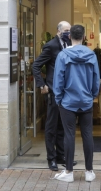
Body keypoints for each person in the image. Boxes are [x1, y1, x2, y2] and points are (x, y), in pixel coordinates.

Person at [52, 24, 100, 182]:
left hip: (68, 102)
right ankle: (89, 172)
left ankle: (69, 172)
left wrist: (59, 98)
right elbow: (95, 79)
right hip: (86, 101)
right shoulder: (91, 55)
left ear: (70, 36)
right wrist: (92, 95)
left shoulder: (63, 55)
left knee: (69, 135)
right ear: (84, 36)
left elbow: (58, 80)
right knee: (87, 135)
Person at [32, 21, 76, 171]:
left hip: (66, 92)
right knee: (51, 127)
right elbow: (36, 65)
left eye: (70, 30)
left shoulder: (70, 44)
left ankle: (61, 156)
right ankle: (51, 159)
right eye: (66, 30)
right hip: (53, 91)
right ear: (58, 31)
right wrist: (41, 84)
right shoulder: (51, 46)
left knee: (62, 126)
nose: (68, 33)